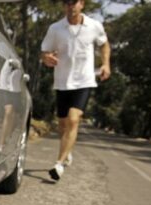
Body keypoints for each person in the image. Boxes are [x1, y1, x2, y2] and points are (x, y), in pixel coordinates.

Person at [41, 0, 111, 180]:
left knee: (73, 120)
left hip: (84, 81)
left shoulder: (94, 26)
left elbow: (104, 44)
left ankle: (59, 164)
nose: (70, 6)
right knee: (62, 125)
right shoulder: (55, 28)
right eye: (66, 3)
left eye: (74, 2)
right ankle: (67, 151)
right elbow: (45, 52)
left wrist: (105, 64)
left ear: (82, 4)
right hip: (63, 82)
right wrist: (47, 58)